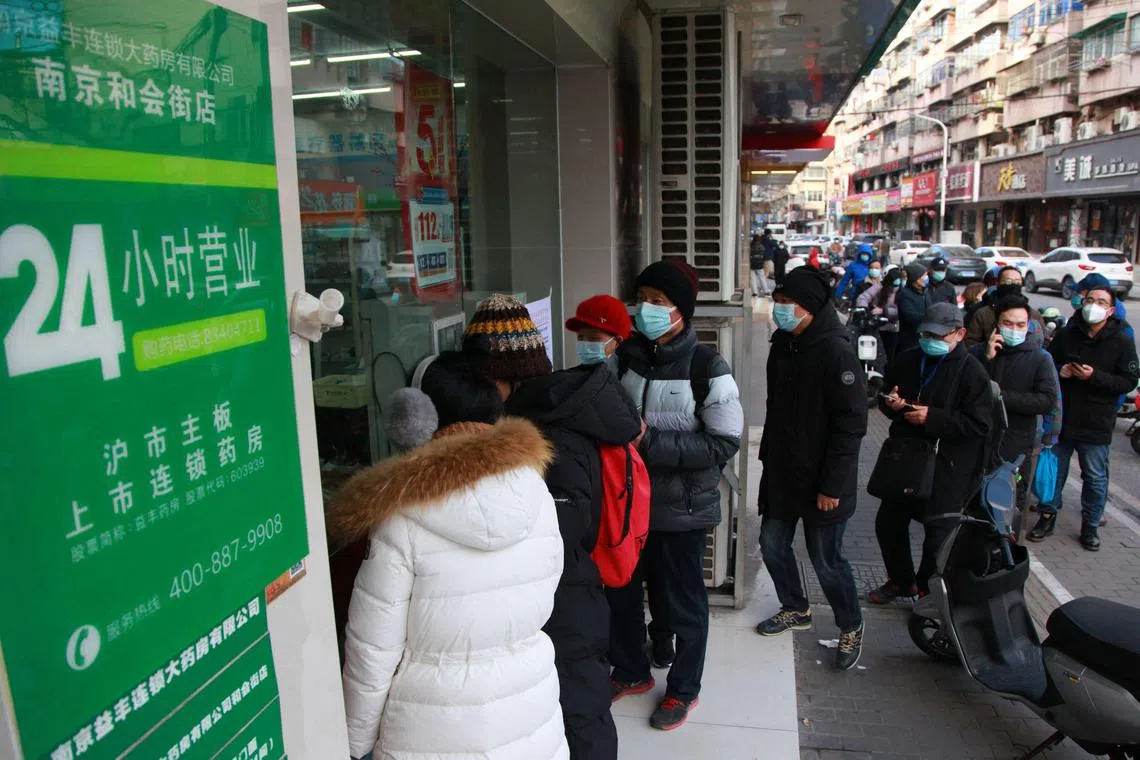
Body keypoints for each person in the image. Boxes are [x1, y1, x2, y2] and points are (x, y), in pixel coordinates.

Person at [336, 355, 569, 760]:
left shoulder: (401, 515)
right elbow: (546, 588)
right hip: (529, 710)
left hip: (430, 731)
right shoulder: (535, 491)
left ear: (418, 419)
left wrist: (355, 741)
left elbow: (374, 647)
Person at [464, 294, 641, 760]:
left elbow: (563, 531)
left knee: (580, 717)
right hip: (558, 598)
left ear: (503, 378)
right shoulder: (540, 414)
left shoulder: (552, 432)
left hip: (567, 602)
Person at [608, 260, 743, 731]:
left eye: (658, 301)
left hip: (682, 508)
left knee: (682, 601)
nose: (646, 308)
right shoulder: (624, 357)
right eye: (641, 298)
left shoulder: (708, 367)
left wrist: (649, 442)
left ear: (681, 310)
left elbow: (724, 442)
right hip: (628, 505)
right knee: (622, 592)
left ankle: (683, 689)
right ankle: (631, 669)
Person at [754, 268, 867, 670]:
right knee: (771, 544)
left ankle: (851, 624)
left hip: (824, 481)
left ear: (812, 307)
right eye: (778, 302)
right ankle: (795, 607)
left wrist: (832, 485)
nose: (780, 310)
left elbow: (851, 424)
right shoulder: (783, 344)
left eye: (788, 304)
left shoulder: (837, 351)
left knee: (826, 560)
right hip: (783, 473)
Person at [869, 303, 993, 602]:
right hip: (906, 458)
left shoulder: (972, 371)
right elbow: (886, 394)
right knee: (888, 523)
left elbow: (978, 424)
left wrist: (932, 418)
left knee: (937, 534)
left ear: (959, 334)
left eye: (938, 336)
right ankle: (901, 581)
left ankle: (927, 592)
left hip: (947, 465)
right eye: (926, 334)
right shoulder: (909, 358)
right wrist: (892, 403)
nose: (930, 341)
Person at [1027, 286, 1140, 550]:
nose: (1093, 305)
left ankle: (1090, 525)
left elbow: (1128, 381)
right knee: (1053, 473)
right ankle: (1047, 517)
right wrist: (1061, 371)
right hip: (1063, 418)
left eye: (1101, 302)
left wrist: (1094, 377)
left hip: (1097, 421)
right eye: (1090, 300)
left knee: (1095, 476)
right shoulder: (1067, 334)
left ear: (1110, 310)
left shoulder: (1121, 340)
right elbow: (1045, 366)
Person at [969, 296, 1061, 516]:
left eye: (1020, 324)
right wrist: (987, 359)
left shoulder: (1040, 358)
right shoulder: (978, 353)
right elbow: (967, 391)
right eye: (1008, 323)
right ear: (997, 324)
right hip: (976, 441)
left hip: (1015, 446)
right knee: (973, 506)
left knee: (1006, 510)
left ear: (1028, 325)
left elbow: (1047, 400)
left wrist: (1002, 397)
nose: (1014, 329)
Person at [965, 267, 1043, 348]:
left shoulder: (1033, 314)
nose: (1013, 285)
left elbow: (1044, 341)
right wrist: (987, 351)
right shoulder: (982, 313)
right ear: (998, 283)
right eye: (1008, 281)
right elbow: (970, 342)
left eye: (1017, 282)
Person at [566, 294, 633, 370]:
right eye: (580, 337)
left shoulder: (632, 373)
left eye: (592, 338)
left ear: (617, 342)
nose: (584, 344)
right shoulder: (576, 374)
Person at [856, 264, 902, 360]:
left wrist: (884, 311)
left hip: (894, 329)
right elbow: (864, 297)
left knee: (890, 356)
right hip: (878, 326)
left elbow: (901, 310)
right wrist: (863, 308)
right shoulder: (879, 287)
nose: (897, 280)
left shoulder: (902, 290)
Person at [896, 262, 930, 355]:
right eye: (924, 275)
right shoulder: (905, 294)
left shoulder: (925, 292)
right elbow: (909, 315)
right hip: (910, 339)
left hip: (925, 336)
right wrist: (929, 318)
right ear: (916, 278)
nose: (926, 278)